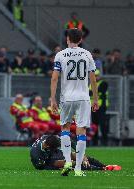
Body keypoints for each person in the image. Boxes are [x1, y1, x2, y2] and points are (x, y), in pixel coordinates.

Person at [50, 28, 99, 176]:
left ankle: (67, 161)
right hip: (83, 97)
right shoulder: (87, 55)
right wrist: (95, 98)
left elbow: (54, 78)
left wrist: (52, 99)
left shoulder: (60, 55)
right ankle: (78, 168)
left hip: (67, 98)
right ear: (81, 40)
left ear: (67, 39)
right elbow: (93, 79)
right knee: (81, 131)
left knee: (65, 128)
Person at [30, 135, 121, 171]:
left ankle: (104, 165)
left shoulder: (51, 139)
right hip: (46, 160)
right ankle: (102, 169)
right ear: (48, 147)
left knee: (76, 155)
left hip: (51, 152)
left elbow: (71, 142)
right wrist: (57, 167)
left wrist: (82, 155)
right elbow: (40, 167)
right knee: (69, 163)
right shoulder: (36, 154)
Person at [90, 70, 109, 146]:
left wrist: (92, 92)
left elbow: (98, 91)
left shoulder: (103, 83)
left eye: (97, 75)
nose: (96, 77)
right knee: (94, 125)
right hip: (93, 107)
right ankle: (95, 142)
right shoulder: (91, 84)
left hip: (101, 107)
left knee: (102, 124)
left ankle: (105, 142)